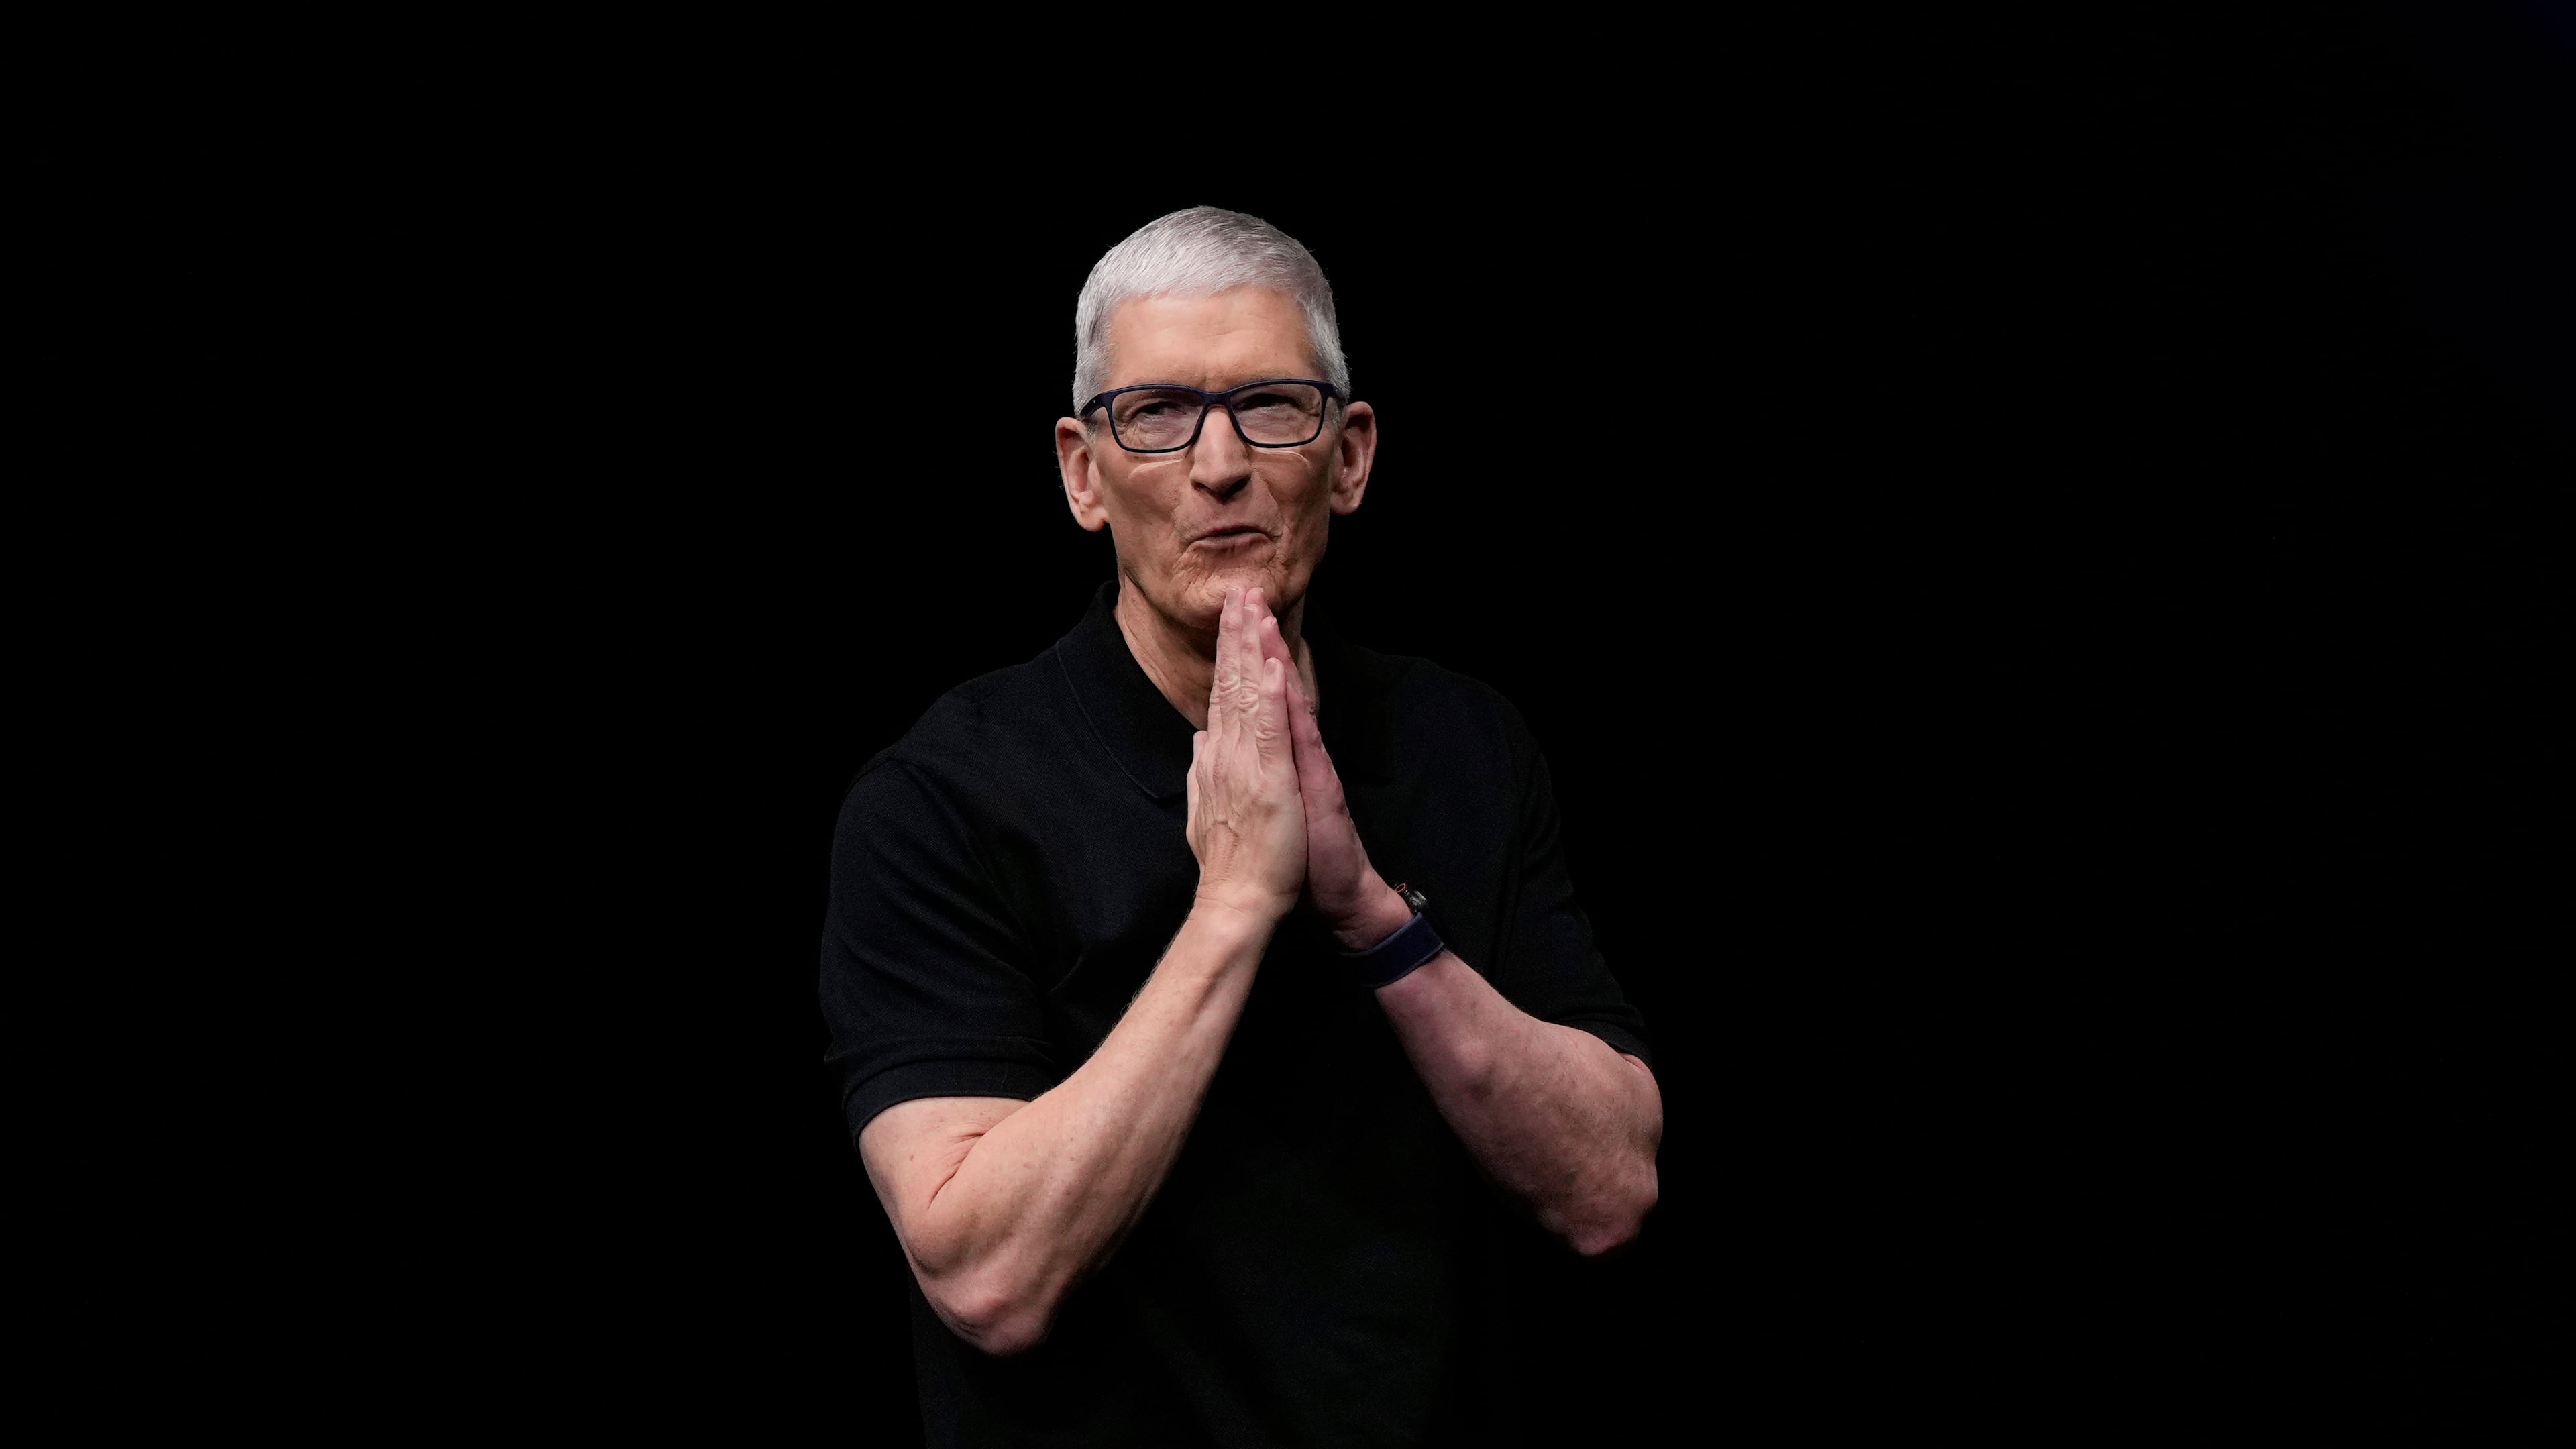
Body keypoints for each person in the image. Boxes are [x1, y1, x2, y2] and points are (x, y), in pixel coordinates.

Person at [820, 206, 1662, 1446]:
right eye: (1154, 415)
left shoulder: (1467, 746)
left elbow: (1610, 1188)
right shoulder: (940, 800)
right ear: (1081, 472)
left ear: (1352, 453)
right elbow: (983, 1277)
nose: (1219, 464)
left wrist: (1370, 916)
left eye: (1272, 404)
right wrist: (1235, 904)